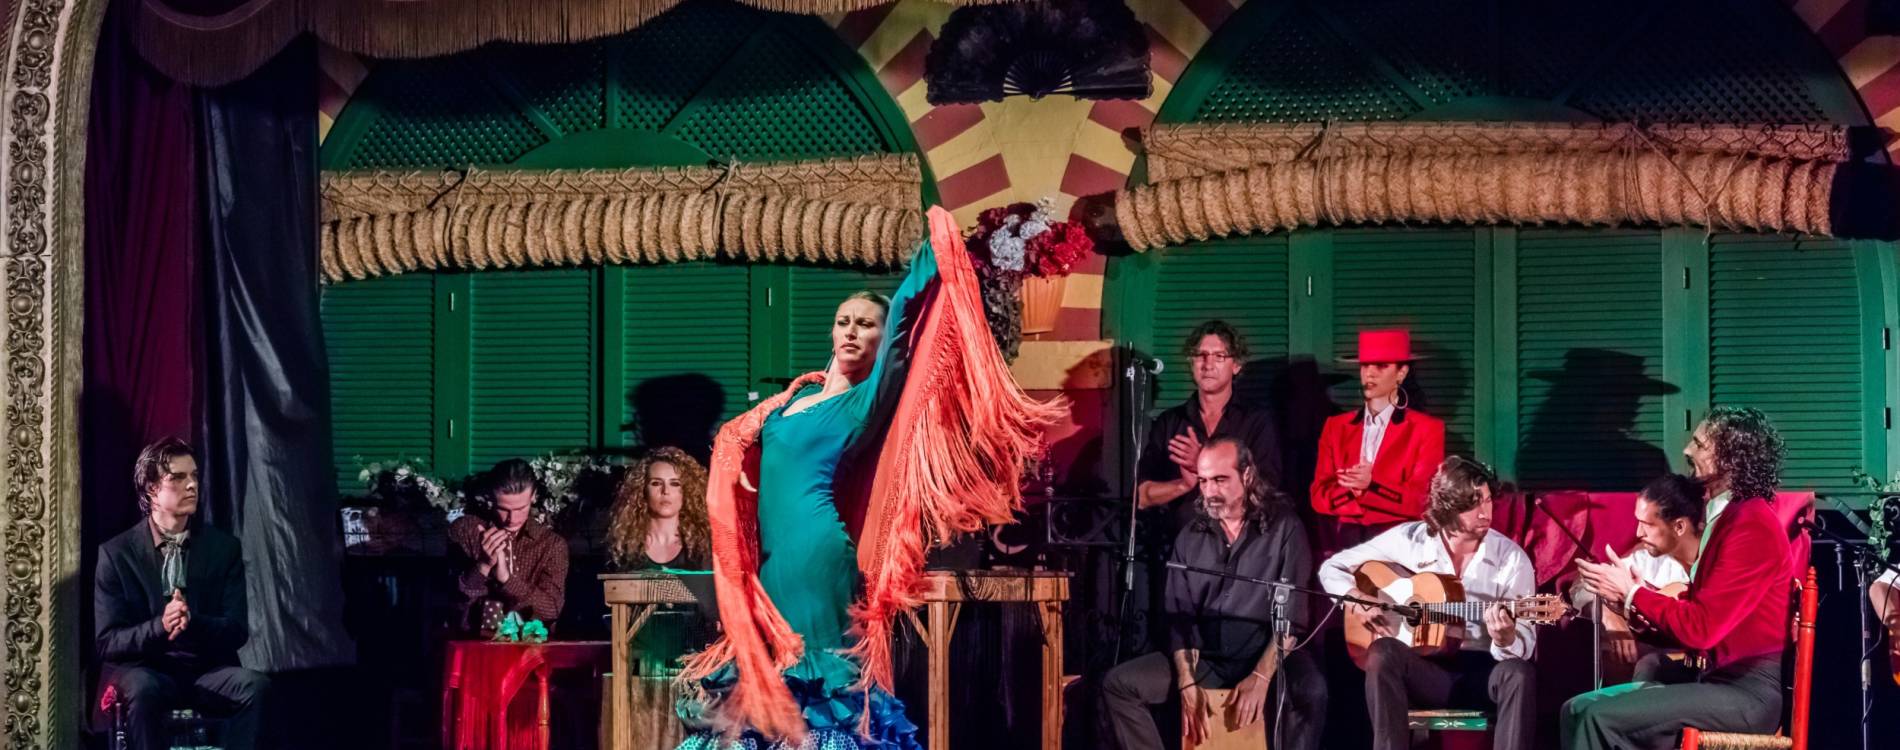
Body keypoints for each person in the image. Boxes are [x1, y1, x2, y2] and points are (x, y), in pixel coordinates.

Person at [675, 207, 1060, 748]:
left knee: (815, 680)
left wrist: (937, 254)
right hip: (773, 560)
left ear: (881, 340)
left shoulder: (864, 403)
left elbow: (903, 332)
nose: (852, 330)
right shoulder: (797, 396)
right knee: (761, 679)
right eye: (844, 320)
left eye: (866, 324)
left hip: (819, 554)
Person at [1565, 407, 1793, 749]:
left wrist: (1633, 593)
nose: (1687, 450)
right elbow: (1693, 613)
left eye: (1700, 444)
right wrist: (1626, 602)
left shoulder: (1751, 524)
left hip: (1748, 694)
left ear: (1730, 459)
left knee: (1600, 716)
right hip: (1716, 682)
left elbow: (1702, 629)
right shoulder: (1727, 517)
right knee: (1576, 708)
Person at [1103, 437, 1326, 750]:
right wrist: (1187, 680)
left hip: (1266, 653)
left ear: (1247, 476)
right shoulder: (1190, 535)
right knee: (1121, 684)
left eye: (1221, 480)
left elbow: (1292, 619)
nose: (1210, 491)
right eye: (1204, 481)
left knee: (1311, 690)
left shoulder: (1284, 528)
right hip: (1208, 656)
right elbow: (1180, 620)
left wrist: (1261, 678)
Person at [1319, 456, 1537, 750]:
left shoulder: (1510, 557)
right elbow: (1332, 568)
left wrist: (1507, 637)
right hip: (1426, 670)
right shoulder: (1410, 540)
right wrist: (1358, 599)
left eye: (1487, 501)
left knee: (1519, 673)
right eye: (1473, 504)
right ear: (1448, 506)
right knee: (1382, 651)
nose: (1485, 512)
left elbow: (1526, 641)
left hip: (1483, 673)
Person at [94, 438, 270, 750]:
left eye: (195, 476)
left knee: (255, 687)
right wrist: (160, 626)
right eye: (177, 478)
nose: (191, 485)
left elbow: (237, 630)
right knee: (142, 688)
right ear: (151, 489)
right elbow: (108, 641)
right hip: (146, 670)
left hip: (205, 672)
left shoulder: (223, 549)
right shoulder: (117, 554)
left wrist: (193, 620)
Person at [1136, 320, 1284, 537]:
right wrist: (1182, 486)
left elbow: (1267, 489)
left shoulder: (1257, 420)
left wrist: (1205, 465)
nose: (1208, 364)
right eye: (1200, 355)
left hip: (1241, 545)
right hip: (1178, 545)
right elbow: (1141, 495)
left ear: (1236, 365)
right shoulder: (1169, 422)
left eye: (1219, 356)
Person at [1310, 328, 1446, 557]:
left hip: (1400, 544)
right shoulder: (1336, 427)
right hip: (1344, 544)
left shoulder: (1426, 429)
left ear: (1401, 372)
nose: (1370, 374)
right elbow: (1319, 497)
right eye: (1365, 366)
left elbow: (1423, 501)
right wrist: (1356, 491)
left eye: (1381, 366)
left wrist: (1371, 486)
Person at [1569, 474, 1699, 674]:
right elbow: (1581, 586)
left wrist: (1636, 595)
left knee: (1650, 666)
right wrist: (1611, 615)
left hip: (1708, 661)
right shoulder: (1646, 558)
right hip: (1657, 653)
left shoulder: (1715, 562)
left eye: (1647, 524)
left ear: (1679, 527)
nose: (1638, 533)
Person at [447, 458, 570, 633]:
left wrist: (507, 579)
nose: (512, 519)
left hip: (531, 650)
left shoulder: (550, 545)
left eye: (521, 509)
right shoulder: (466, 530)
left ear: (534, 496)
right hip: (472, 646)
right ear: (490, 497)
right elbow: (453, 605)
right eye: (503, 509)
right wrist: (482, 566)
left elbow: (551, 610)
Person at [608, 447, 711, 571]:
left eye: (675, 484)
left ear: (687, 491)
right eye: (656, 483)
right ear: (643, 490)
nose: (665, 491)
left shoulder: (702, 547)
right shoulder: (622, 549)